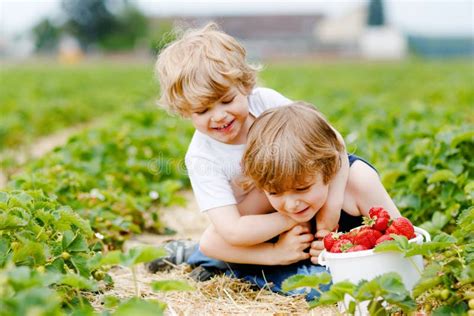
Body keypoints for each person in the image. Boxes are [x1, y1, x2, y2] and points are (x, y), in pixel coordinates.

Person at [148, 22, 350, 284]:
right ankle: (198, 255)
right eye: (202, 110)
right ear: (185, 112)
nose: (219, 116)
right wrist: (281, 236)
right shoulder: (202, 157)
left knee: (353, 173)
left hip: (302, 197)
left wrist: (330, 209)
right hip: (256, 227)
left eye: (227, 100)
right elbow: (232, 230)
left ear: (245, 85)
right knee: (214, 245)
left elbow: (334, 143)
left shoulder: (265, 102)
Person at [198, 102, 401, 298]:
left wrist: (345, 249)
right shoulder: (273, 180)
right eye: (275, 193)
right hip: (282, 259)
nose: (291, 203)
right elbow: (211, 241)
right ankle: (200, 259)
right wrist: (275, 253)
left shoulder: (358, 182)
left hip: (332, 264)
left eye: (303, 188)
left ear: (329, 170)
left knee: (333, 283)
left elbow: (402, 242)